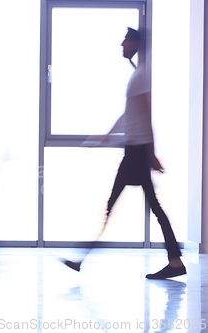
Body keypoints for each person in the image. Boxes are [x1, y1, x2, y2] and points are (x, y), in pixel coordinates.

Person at [96, 28, 186, 279]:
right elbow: (131, 113)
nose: (122, 44)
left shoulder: (140, 76)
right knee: (152, 207)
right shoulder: (139, 74)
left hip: (136, 154)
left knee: (113, 205)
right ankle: (175, 261)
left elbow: (145, 116)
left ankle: (82, 257)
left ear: (136, 43)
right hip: (135, 152)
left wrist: (151, 154)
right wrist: (107, 136)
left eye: (126, 40)